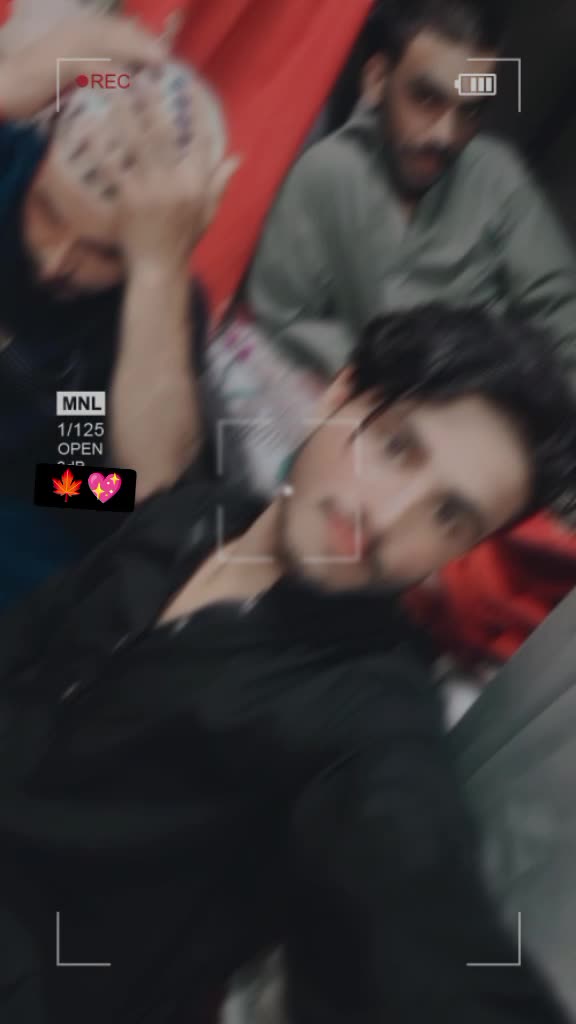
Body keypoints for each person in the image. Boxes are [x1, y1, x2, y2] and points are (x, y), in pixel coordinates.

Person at [1, 304, 575, 1023]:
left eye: (447, 516)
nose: (384, 517)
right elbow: (69, 502)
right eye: (396, 448)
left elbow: (419, 889)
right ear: (339, 393)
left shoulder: (364, 710)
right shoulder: (193, 511)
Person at [0, 12, 236, 604]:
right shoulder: (8, 156)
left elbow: (131, 494)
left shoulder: (150, 308)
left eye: (104, 252)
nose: (56, 262)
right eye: (49, 211)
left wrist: (155, 272)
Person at [246, 0, 576, 378]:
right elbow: (282, 319)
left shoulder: (496, 176)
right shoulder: (328, 175)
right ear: (377, 80)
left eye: (469, 110)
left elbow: (565, 319)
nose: (446, 135)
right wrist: (389, 382)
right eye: (427, 99)